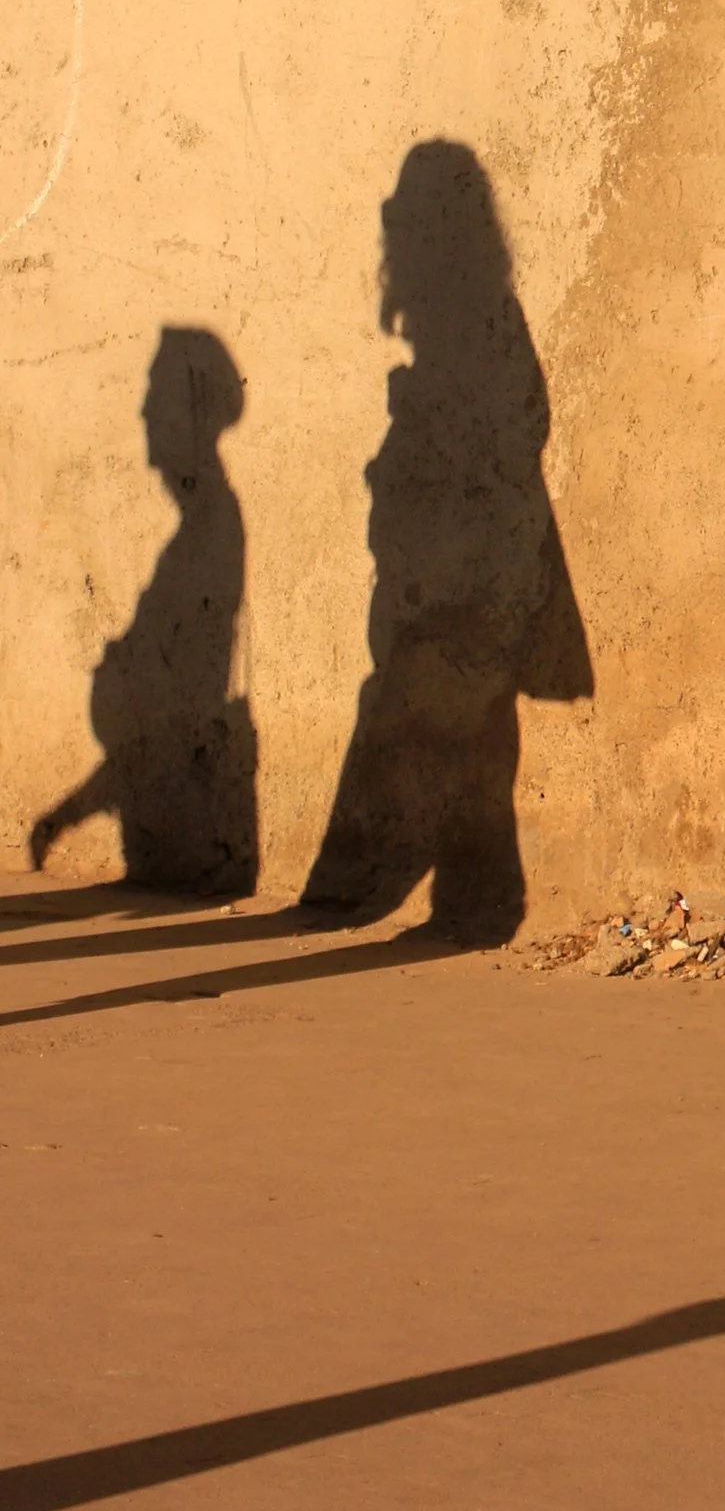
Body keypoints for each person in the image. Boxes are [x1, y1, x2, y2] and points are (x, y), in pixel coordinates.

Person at [299, 143, 590, 944]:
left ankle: (456, 896)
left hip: (467, 552)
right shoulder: (453, 316)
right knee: (454, 718)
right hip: (437, 553)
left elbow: (509, 428)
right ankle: (459, 895)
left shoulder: (476, 315)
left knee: (456, 716)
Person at [30, 328, 257, 895]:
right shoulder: (198, 532)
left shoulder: (209, 532)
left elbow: (192, 681)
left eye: (157, 397)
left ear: (200, 413)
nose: (143, 413)